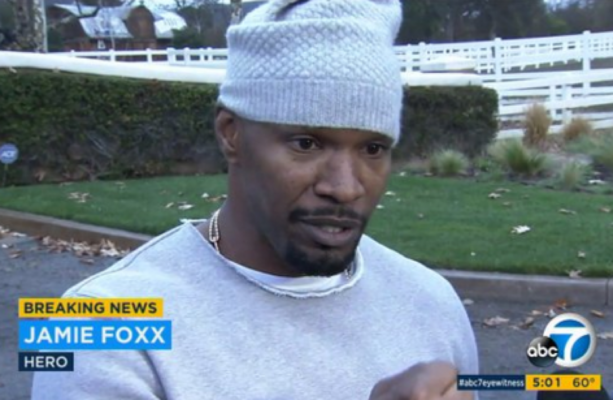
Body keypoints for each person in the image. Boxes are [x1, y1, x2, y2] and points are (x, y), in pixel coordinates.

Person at [32, 0, 478, 399]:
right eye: (306, 143)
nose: (345, 187)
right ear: (231, 134)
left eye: (373, 149)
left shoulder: (431, 302)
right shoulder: (96, 324)